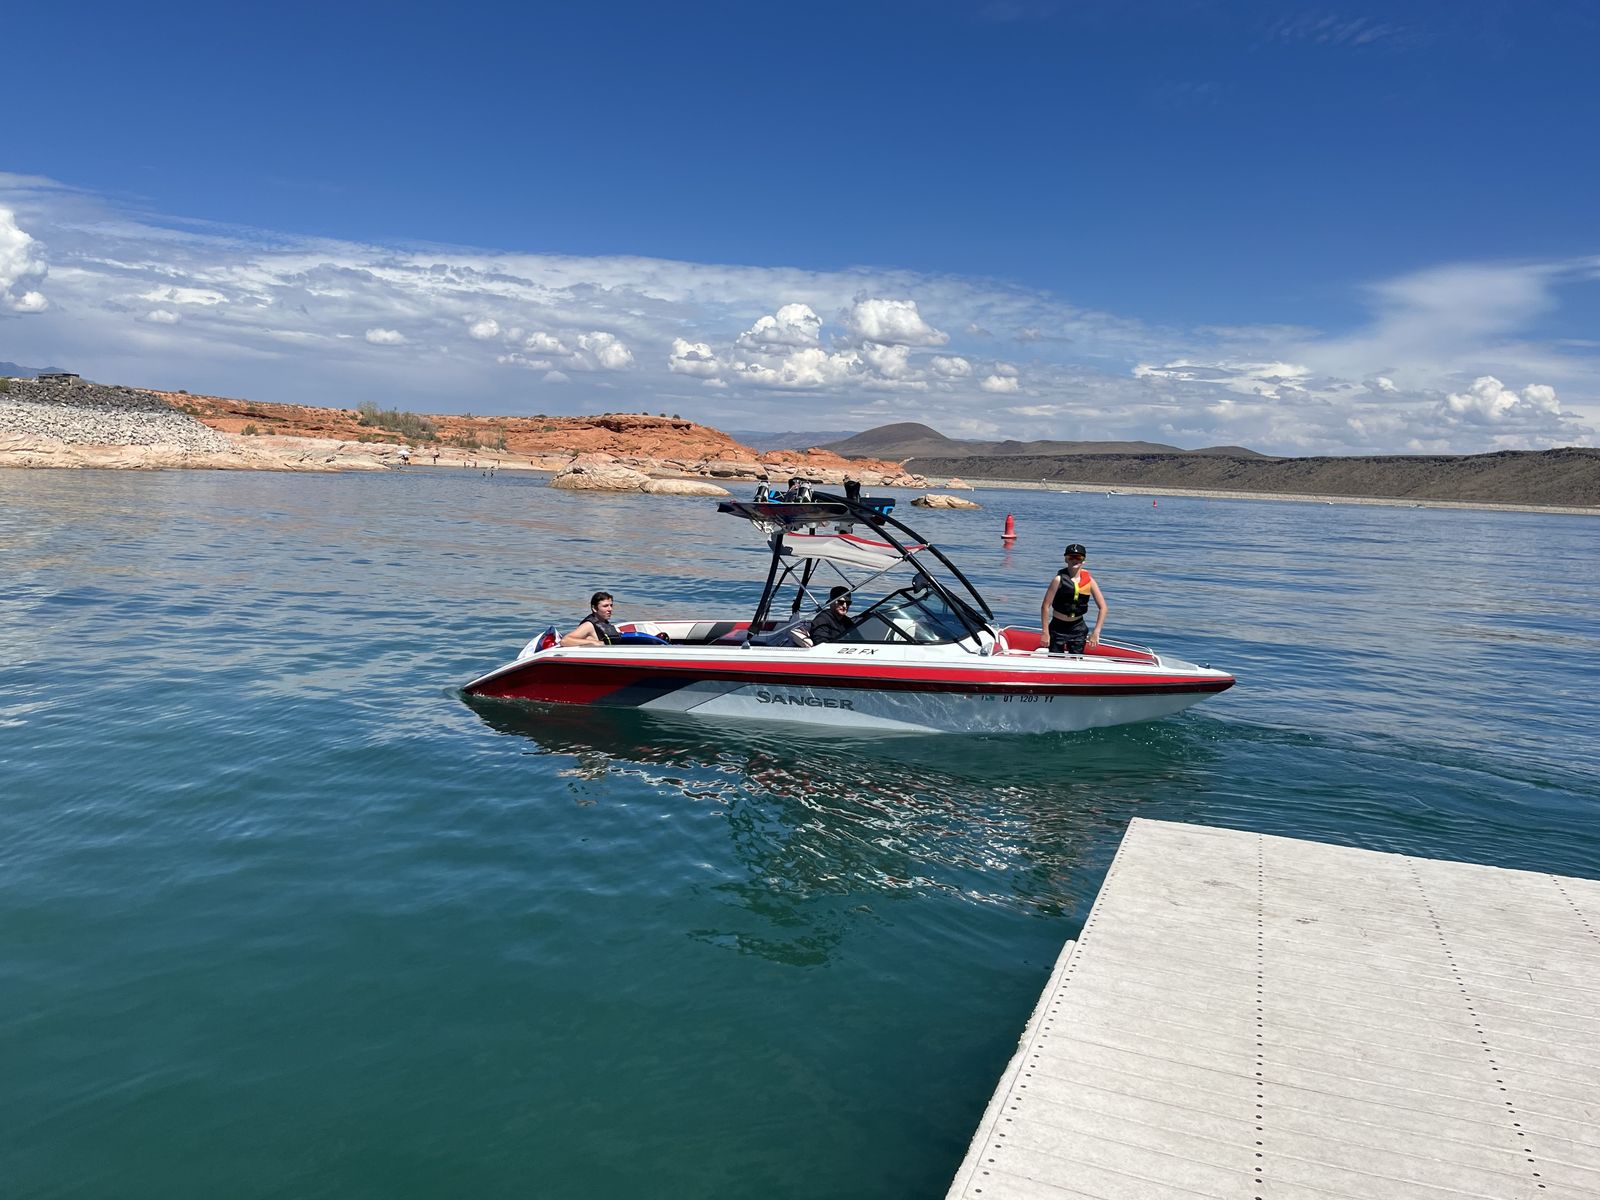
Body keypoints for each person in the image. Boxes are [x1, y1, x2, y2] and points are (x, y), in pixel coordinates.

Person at [1040, 543, 1106, 654]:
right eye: (1071, 557)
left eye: (1078, 558)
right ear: (1066, 560)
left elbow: (1103, 608)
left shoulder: (1089, 581)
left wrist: (1096, 632)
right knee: (1055, 658)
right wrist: (1045, 632)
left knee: (1076, 659)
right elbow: (1045, 606)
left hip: (1078, 628)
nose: (1075, 560)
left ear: (1083, 560)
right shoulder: (1058, 580)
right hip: (1057, 627)